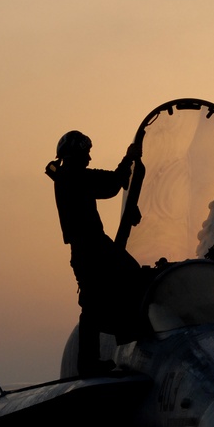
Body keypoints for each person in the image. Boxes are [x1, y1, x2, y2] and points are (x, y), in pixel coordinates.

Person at [45, 131, 141, 375]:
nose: (89, 158)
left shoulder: (68, 176)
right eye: (85, 153)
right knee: (127, 278)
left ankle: (95, 356)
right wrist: (128, 159)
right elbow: (110, 185)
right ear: (75, 155)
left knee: (95, 303)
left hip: (88, 247)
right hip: (91, 247)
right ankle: (93, 358)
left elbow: (109, 184)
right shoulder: (72, 176)